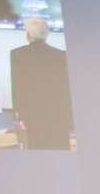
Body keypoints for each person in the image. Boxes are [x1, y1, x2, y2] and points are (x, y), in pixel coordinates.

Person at [8, 17, 72, 150]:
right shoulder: (61, 56)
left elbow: (18, 88)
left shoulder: (17, 55)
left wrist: (19, 115)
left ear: (28, 35)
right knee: (59, 149)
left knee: (38, 149)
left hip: (33, 115)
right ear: (46, 34)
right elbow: (65, 90)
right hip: (58, 114)